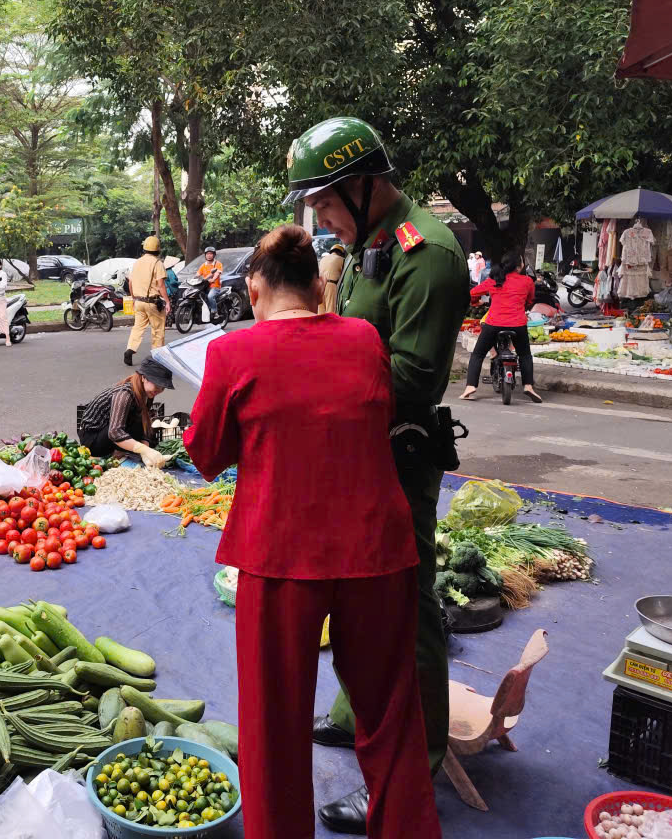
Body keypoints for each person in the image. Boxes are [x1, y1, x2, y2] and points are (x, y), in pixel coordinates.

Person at [184, 225, 440, 839]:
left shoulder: (231, 353)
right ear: (318, 289)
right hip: (377, 548)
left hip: (280, 554)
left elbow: (206, 455)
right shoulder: (364, 339)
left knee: (274, 724)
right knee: (390, 714)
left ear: (253, 289)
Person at [287, 116, 468, 834]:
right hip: (356, 452)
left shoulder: (427, 253)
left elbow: (413, 376)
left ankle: (409, 768)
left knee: (407, 605)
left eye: (327, 201)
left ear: (365, 185)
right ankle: (357, 712)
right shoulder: (369, 245)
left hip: (398, 453)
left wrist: (310, 373)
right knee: (353, 593)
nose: (322, 217)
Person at [460, 253, 544, 402]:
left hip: (493, 324)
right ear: (519, 266)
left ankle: (470, 387)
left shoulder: (494, 280)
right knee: (524, 355)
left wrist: (475, 301)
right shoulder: (527, 281)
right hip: (518, 324)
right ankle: (528, 386)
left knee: (478, 354)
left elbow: (472, 293)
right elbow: (530, 300)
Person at [76, 356, 174, 466]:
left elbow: (144, 421)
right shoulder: (124, 394)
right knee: (125, 430)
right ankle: (116, 451)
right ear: (143, 378)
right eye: (157, 385)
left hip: (110, 431)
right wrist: (144, 450)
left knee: (142, 423)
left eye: (163, 387)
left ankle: (121, 450)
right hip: (93, 440)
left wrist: (145, 449)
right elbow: (114, 432)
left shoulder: (147, 393)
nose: (159, 390)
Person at [124, 236, 170, 365]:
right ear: (158, 249)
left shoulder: (137, 262)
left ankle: (130, 349)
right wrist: (167, 301)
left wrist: (134, 298)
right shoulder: (157, 263)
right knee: (158, 329)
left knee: (138, 327)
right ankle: (157, 356)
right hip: (152, 302)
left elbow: (131, 282)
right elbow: (161, 285)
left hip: (138, 301)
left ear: (144, 248)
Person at [317, 244, 346, 315]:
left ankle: (320, 326)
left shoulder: (323, 259)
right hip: (331, 286)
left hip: (320, 285)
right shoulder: (342, 260)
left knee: (320, 311)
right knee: (330, 311)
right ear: (341, 253)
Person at [197, 246, 224, 315]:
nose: (209, 255)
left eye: (210, 254)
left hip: (215, 286)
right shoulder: (203, 265)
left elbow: (217, 273)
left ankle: (214, 311)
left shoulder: (218, 264)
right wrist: (192, 279)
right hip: (205, 286)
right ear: (205, 255)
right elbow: (198, 274)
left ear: (214, 255)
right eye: (207, 254)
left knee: (210, 296)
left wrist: (213, 279)